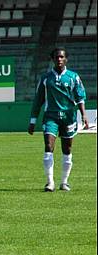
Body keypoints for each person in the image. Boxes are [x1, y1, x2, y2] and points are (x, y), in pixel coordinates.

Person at [28, 47, 89, 192]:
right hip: (51, 117)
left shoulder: (73, 77)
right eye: (57, 57)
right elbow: (38, 100)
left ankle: (64, 182)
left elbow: (80, 97)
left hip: (69, 117)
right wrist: (32, 120)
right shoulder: (45, 78)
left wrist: (84, 115)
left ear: (66, 59)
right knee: (48, 147)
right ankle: (50, 182)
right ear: (53, 59)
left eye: (62, 57)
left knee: (67, 149)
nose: (59, 59)